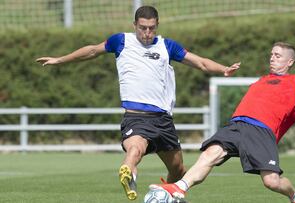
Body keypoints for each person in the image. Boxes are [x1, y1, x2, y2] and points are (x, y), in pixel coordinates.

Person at [36, 5, 240, 201]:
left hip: (163, 120)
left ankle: (163, 196)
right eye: (143, 28)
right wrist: (59, 60)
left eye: (151, 28)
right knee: (136, 149)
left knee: (178, 170)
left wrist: (223, 69)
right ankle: (129, 173)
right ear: (135, 25)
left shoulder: (167, 46)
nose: (147, 33)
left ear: (157, 25)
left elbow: (201, 62)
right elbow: (91, 51)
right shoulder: (121, 41)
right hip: (136, 117)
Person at [150, 42, 295, 203]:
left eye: (278, 56)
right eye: (271, 54)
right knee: (211, 153)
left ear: (290, 61)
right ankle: (179, 188)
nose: (272, 58)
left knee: (272, 182)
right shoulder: (262, 80)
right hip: (237, 125)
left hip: (261, 131)